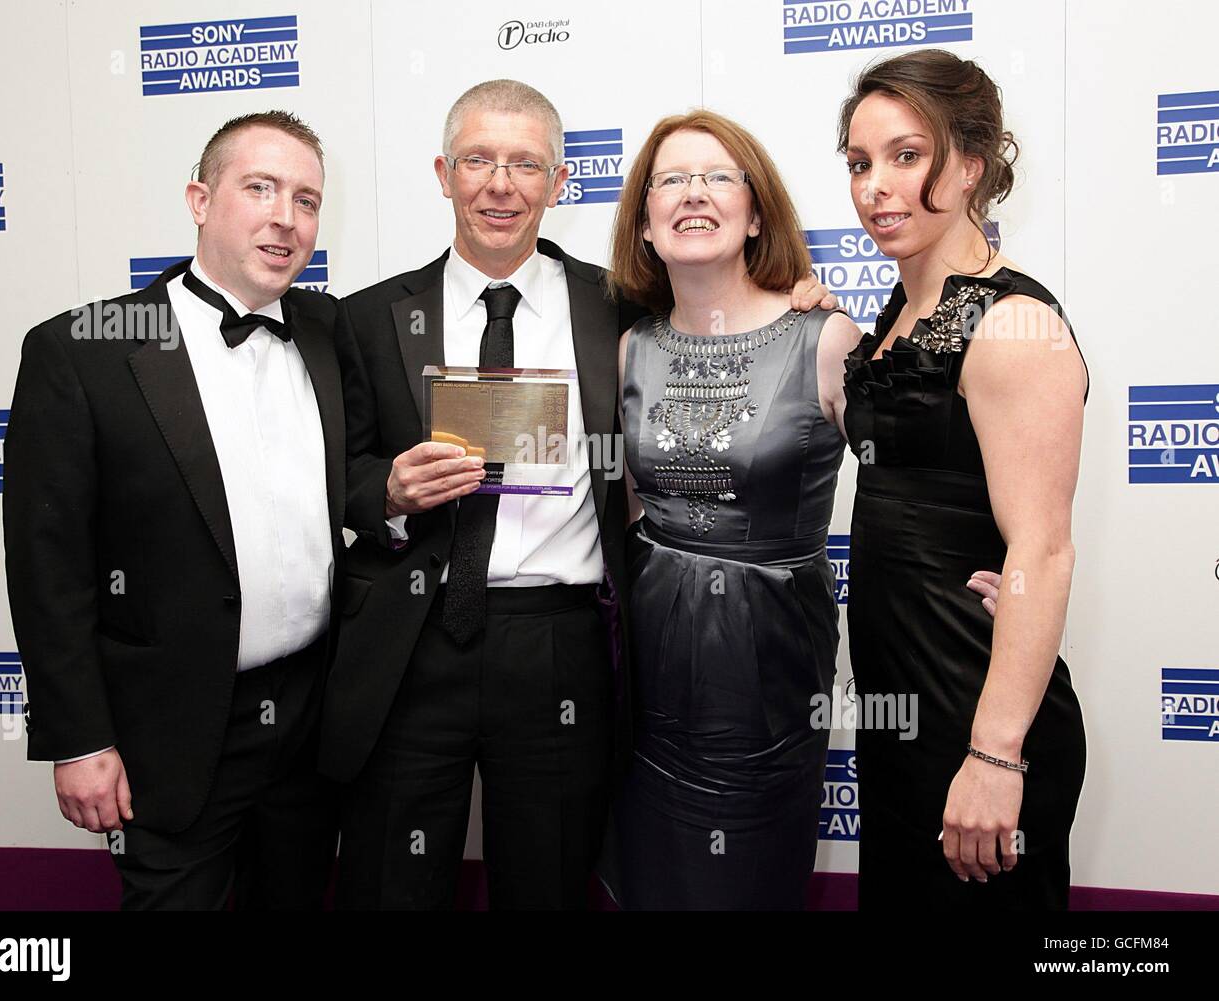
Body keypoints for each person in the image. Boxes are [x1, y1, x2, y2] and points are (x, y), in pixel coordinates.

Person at [320, 79, 835, 910]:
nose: (501, 183)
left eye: (526, 163)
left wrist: (805, 299)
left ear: (560, 183)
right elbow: (335, 482)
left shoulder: (624, 310)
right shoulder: (370, 317)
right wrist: (383, 489)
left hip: (560, 646)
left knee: (551, 884)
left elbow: (738, 321)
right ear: (443, 173)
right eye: (479, 159)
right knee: (391, 883)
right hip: (411, 642)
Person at [2, 111, 343, 910]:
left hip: (310, 723)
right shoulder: (81, 351)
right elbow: (47, 568)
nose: (284, 217)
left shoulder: (329, 331)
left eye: (305, 199)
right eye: (258, 188)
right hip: (172, 731)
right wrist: (78, 737)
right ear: (199, 198)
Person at [838, 49, 1089, 909]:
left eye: (907, 156)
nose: (877, 186)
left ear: (973, 165)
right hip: (899, 712)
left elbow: (1044, 549)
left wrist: (993, 754)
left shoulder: (1014, 322)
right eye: (860, 163)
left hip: (972, 711)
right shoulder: (896, 318)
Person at [598, 110, 862, 910]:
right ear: (644, 224)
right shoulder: (631, 346)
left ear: (756, 212)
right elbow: (632, 500)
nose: (694, 194)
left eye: (718, 176)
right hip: (648, 656)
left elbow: (912, 487)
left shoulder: (826, 337)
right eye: (670, 180)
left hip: (767, 663)